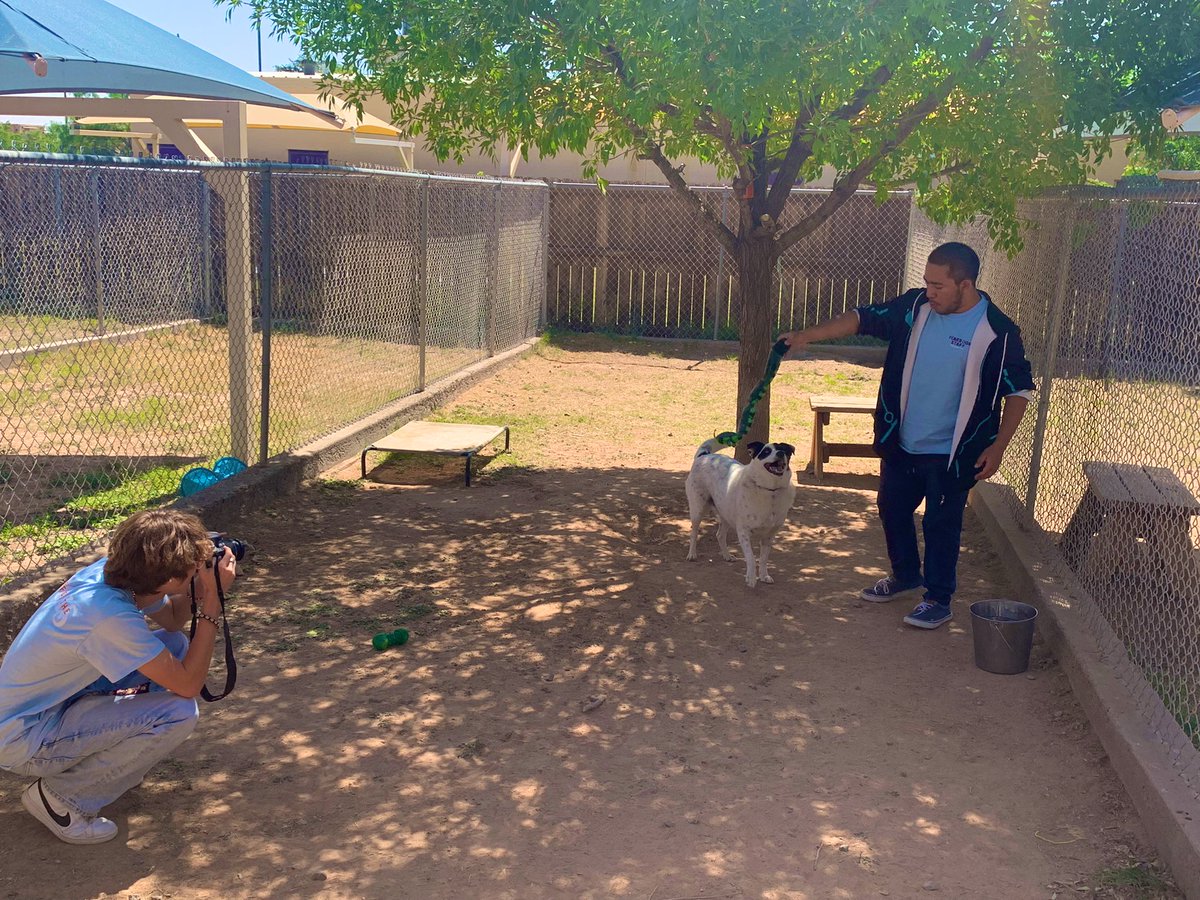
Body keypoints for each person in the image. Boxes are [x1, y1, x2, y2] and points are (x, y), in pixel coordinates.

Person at [779, 242, 1035, 629]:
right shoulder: (916, 307)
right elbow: (863, 318)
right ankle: (905, 576)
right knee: (892, 508)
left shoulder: (997, 331)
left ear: (965, 285)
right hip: (902, 441)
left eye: (938, 285)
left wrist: (999, 447)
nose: (929, 292)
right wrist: (805, 336)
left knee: (940, 524)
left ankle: (938, 599)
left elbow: (1018, 391)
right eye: (927, 283)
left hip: (954, 452)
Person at [0, 509, 236, 844]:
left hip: (46, 706)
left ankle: (110, 766)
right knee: (177, 713)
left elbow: (172, 619)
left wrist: (196, 587)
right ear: (169, 581)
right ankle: (62, 799)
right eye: (191, 570)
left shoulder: (116, 573)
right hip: (26, 740)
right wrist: (211, 601)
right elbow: (189, 685)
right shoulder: (108, 617)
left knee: (174, 645)